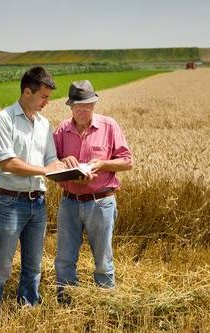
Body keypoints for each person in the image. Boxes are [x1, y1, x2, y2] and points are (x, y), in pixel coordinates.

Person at [0, 66, 65, 323]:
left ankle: (28, 308)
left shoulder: (44, 124)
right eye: (44, 97)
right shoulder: (3, 120)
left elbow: (50, 158)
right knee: (3, 264)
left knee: (33, 265)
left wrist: (64, 166)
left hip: (38, 202)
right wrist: (45, 170)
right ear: (27, 91)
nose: (47, 102)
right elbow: (7, 162)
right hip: (10, 202)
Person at [53, 80, 133, 303]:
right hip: (69, 202)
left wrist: (102, 164)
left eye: (87, 106)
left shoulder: (109, 126)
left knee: (103, 260)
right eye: (78, 106)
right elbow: (48, 162)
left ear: (94, 104)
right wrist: (62, 160)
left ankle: (105, 304)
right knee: (64, 258)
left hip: (101, 202)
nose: (82, 111)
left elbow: (127, 162)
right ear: (70, 107)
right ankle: (66, 302)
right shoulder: (61, 130)